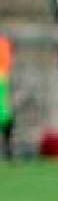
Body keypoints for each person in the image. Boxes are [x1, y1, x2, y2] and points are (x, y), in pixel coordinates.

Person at [0, 34, 13, 162]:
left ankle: (8, 149)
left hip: (2, 80)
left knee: (4, 115)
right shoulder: (4, 42)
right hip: (3, 79)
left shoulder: (3, 43)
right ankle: (8, 149)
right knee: (4, 114)